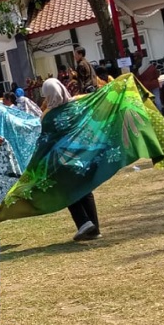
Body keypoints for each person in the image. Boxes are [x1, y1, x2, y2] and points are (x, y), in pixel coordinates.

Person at [39, 78, 101, 241]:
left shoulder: (48, 117)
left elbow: (45, 140)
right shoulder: (77, 106)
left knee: (67, 191)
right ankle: (94, 228)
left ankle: (83, 222)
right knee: (86, 190)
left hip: (62, 161)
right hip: (82, 156)